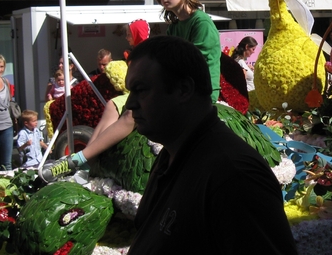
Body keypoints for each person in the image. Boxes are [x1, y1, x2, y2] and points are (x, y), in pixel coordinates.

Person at [124, 36, 297, 254]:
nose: (130, 104)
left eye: (140, 90)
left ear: (184, 89)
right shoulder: (170, 156)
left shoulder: (234, 175)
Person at [39, 20, 150, 182]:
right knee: (112, 104)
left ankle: (78, 161)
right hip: (134, 92)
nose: (126, 37)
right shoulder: (134, 54)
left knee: (130, 114)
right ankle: (84, 164)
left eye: (129, 34)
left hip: (146, 93)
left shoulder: (147, 53)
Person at [155, 0, 221, 102]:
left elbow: (194, 60)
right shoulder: (174, 26)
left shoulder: (201, 22)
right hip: (181, 90)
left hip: (201, 91)